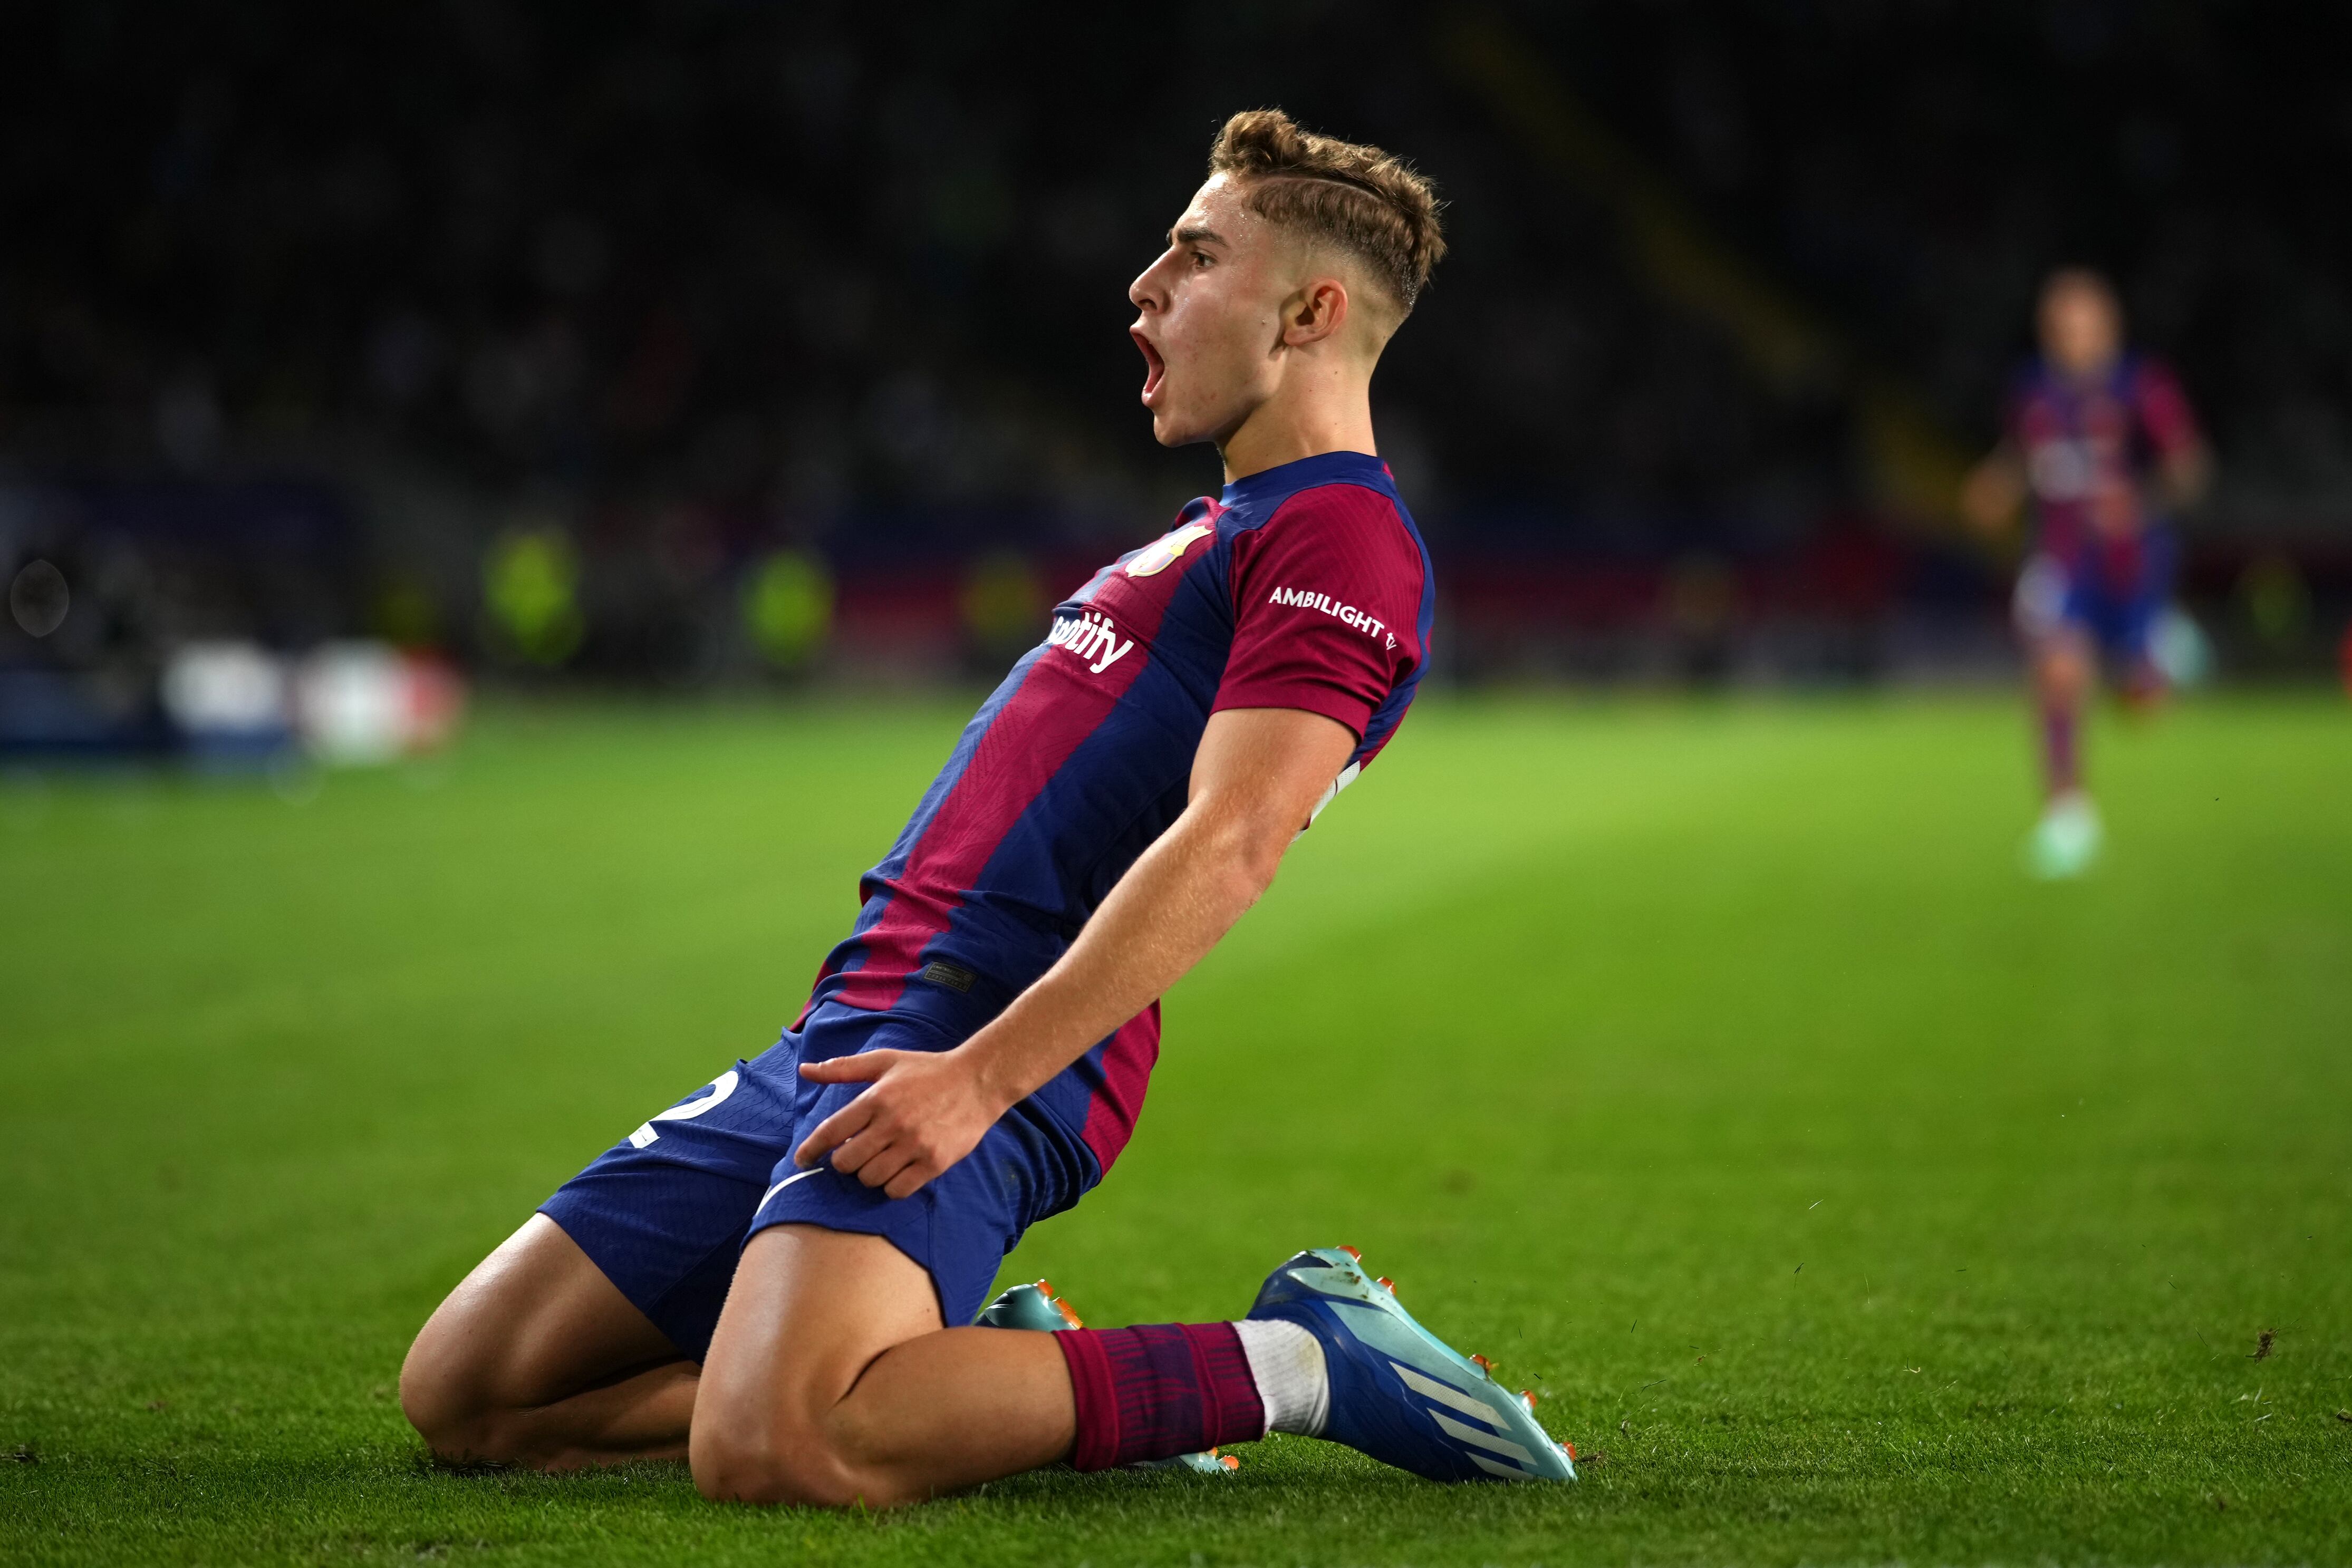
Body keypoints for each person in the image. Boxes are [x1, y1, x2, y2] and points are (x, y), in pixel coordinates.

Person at [397, 109, 1575, 1508]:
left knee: (782, 1444)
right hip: (856, 1021)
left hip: (991, 1032)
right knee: (474, 1390)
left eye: (1192, 256)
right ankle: (970, 1376)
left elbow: (1235, 835)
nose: (1144, 287)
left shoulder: (1342, 537)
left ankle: (1296, 1357)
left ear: (1311, 311)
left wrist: (981, 1074)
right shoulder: (1213, 528)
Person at [1961, 267, 2210, 879]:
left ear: (2107, 329)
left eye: (2082, 326)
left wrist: (2140, 499)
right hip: (2060, 557)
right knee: (2057, 668)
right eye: (2060, 327)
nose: (2071, 338)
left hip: (2131, 561)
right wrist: (1994, 487)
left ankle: (2158, 648)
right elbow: (2021, 457)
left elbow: (2190, 467)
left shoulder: (2140, 386)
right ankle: (2067, 815)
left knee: (2138, 705)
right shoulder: (2031, 390)